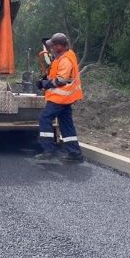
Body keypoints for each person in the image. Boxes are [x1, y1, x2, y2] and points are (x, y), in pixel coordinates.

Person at [35, 32, 84, 162]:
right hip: (66, 98)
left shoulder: (65, 60)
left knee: (44, 118)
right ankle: (74, 153)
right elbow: (56, 75)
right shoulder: (64, 56)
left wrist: (45, 84)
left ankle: (48, 150)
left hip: (60, 98)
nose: (51, 48)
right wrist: (46, 79)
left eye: (53, 46)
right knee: (66, 124)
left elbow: (61, 79)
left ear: (59, 46)